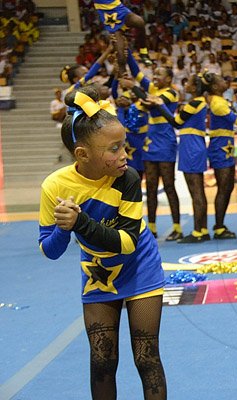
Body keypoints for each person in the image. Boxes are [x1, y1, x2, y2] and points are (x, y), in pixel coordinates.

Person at [38, 86, 167, 400]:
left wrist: (80, 222)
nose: (124, 154)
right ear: (83, 154)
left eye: (123, 145)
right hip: (98, 275)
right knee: (102, 362)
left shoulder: (128, 178)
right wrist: (63, 228)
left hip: (140, 270)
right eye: (113, 149)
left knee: (146, 358)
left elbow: (125, 243)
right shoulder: (55, 185)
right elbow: (48, 250)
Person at [145, 73, 211, 243]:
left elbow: (176, 122)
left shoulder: (194, 103)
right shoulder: (199, 102)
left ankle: (198, 231)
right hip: (194, 144)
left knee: (195, 189)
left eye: (188, 82)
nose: (185, 84)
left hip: (191, 146)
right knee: (198, 190)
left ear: (195, 88)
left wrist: (160, 105)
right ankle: (202, 228)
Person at [124, 52, 182, 241]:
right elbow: (137, 73)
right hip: (150, 142)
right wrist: (127, 55)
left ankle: (177, 227)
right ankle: (152, 227)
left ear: (169, 78)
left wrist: (132, 87)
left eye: (159, 74)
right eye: (154, 74)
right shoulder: (153, 89)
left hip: (165, 141)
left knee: (169, 185)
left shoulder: (171, 93)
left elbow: (150, 103)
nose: (155, 77)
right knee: (149, 187)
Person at [205, 72, 237, 239]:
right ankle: (219, 226)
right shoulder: (218, 103)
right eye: (221, 79)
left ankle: (220, 225)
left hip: (225, 145)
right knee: (223, 187)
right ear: (215, 86)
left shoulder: (220, 101)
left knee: (228, 186)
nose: (225, 80)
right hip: (219, 146)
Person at [92, 0, 152, 72]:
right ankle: (122, 78)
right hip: (108, 16)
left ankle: (143, 52)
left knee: (140, 22)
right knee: (121, 57)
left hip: (119, 9)